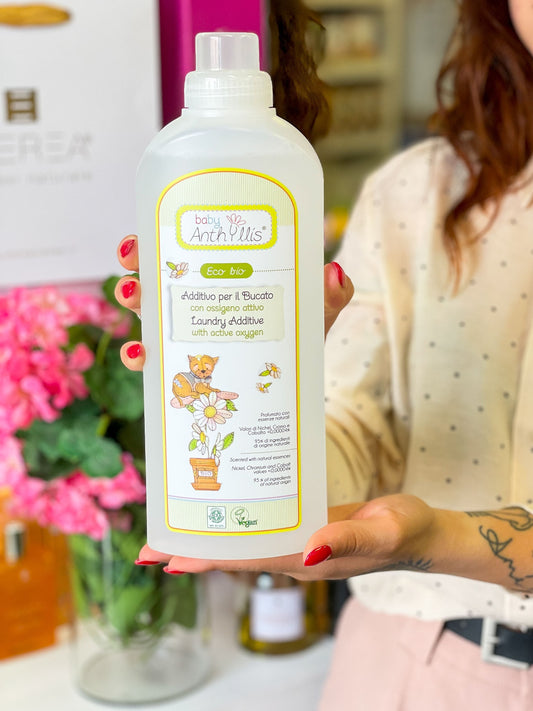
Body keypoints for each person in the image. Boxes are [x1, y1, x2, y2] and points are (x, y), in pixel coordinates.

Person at [116, 0, 533, 707]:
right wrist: (260, 417)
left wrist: (441, 537)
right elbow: (352, 421)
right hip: (403, 665)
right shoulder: (418, 191)